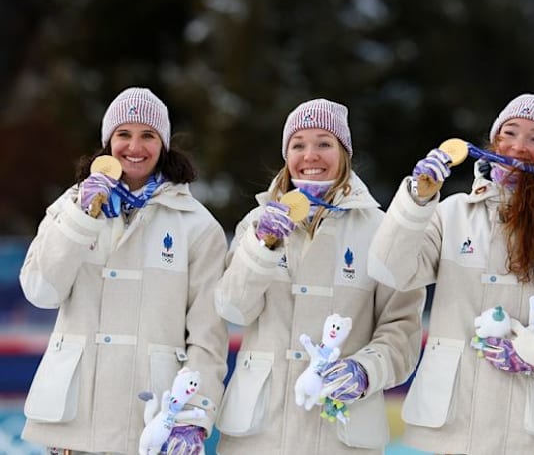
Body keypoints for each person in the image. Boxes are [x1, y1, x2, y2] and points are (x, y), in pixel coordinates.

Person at [368, 94, 534, 454]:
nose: (518, 147)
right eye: (510, 133)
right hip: (452, 432)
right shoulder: (451, 214)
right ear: (493, 141)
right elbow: (389, 269)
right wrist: (415, 201)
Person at [19, 87, 229, 454]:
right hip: (74, 425)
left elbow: (207, 338)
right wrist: (81, 220)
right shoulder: (68, 208)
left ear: (163, 144)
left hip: (150, 424)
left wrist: (194, 415)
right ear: (107, 142)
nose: (135, 146)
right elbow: (40, 292)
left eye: (148, 135)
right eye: (124, 135)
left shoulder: (198, 227)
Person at [213, 98, 425, 454]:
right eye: (299, 145)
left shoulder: (381, 229)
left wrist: (365, 370)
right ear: (286, 154)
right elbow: (234, 310)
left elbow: (401, 333)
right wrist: (260, 248)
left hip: (341, 434)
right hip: (258, 434)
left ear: (344, 153)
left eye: (324, 143)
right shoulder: (256, 222)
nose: (310, 155)